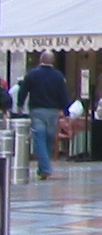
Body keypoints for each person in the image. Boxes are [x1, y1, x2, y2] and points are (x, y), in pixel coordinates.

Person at [19, 52, 68, 180]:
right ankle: (44, 168)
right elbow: (63, 93)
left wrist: (20, 105)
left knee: (39, 138)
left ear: (40, 60)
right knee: (49, 139)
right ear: (53, 61)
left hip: (37, 110)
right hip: (53, 111)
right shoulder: (58, 76)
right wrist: (65, 110)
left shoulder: (32, 74)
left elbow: (23, 89)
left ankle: (44, 168)